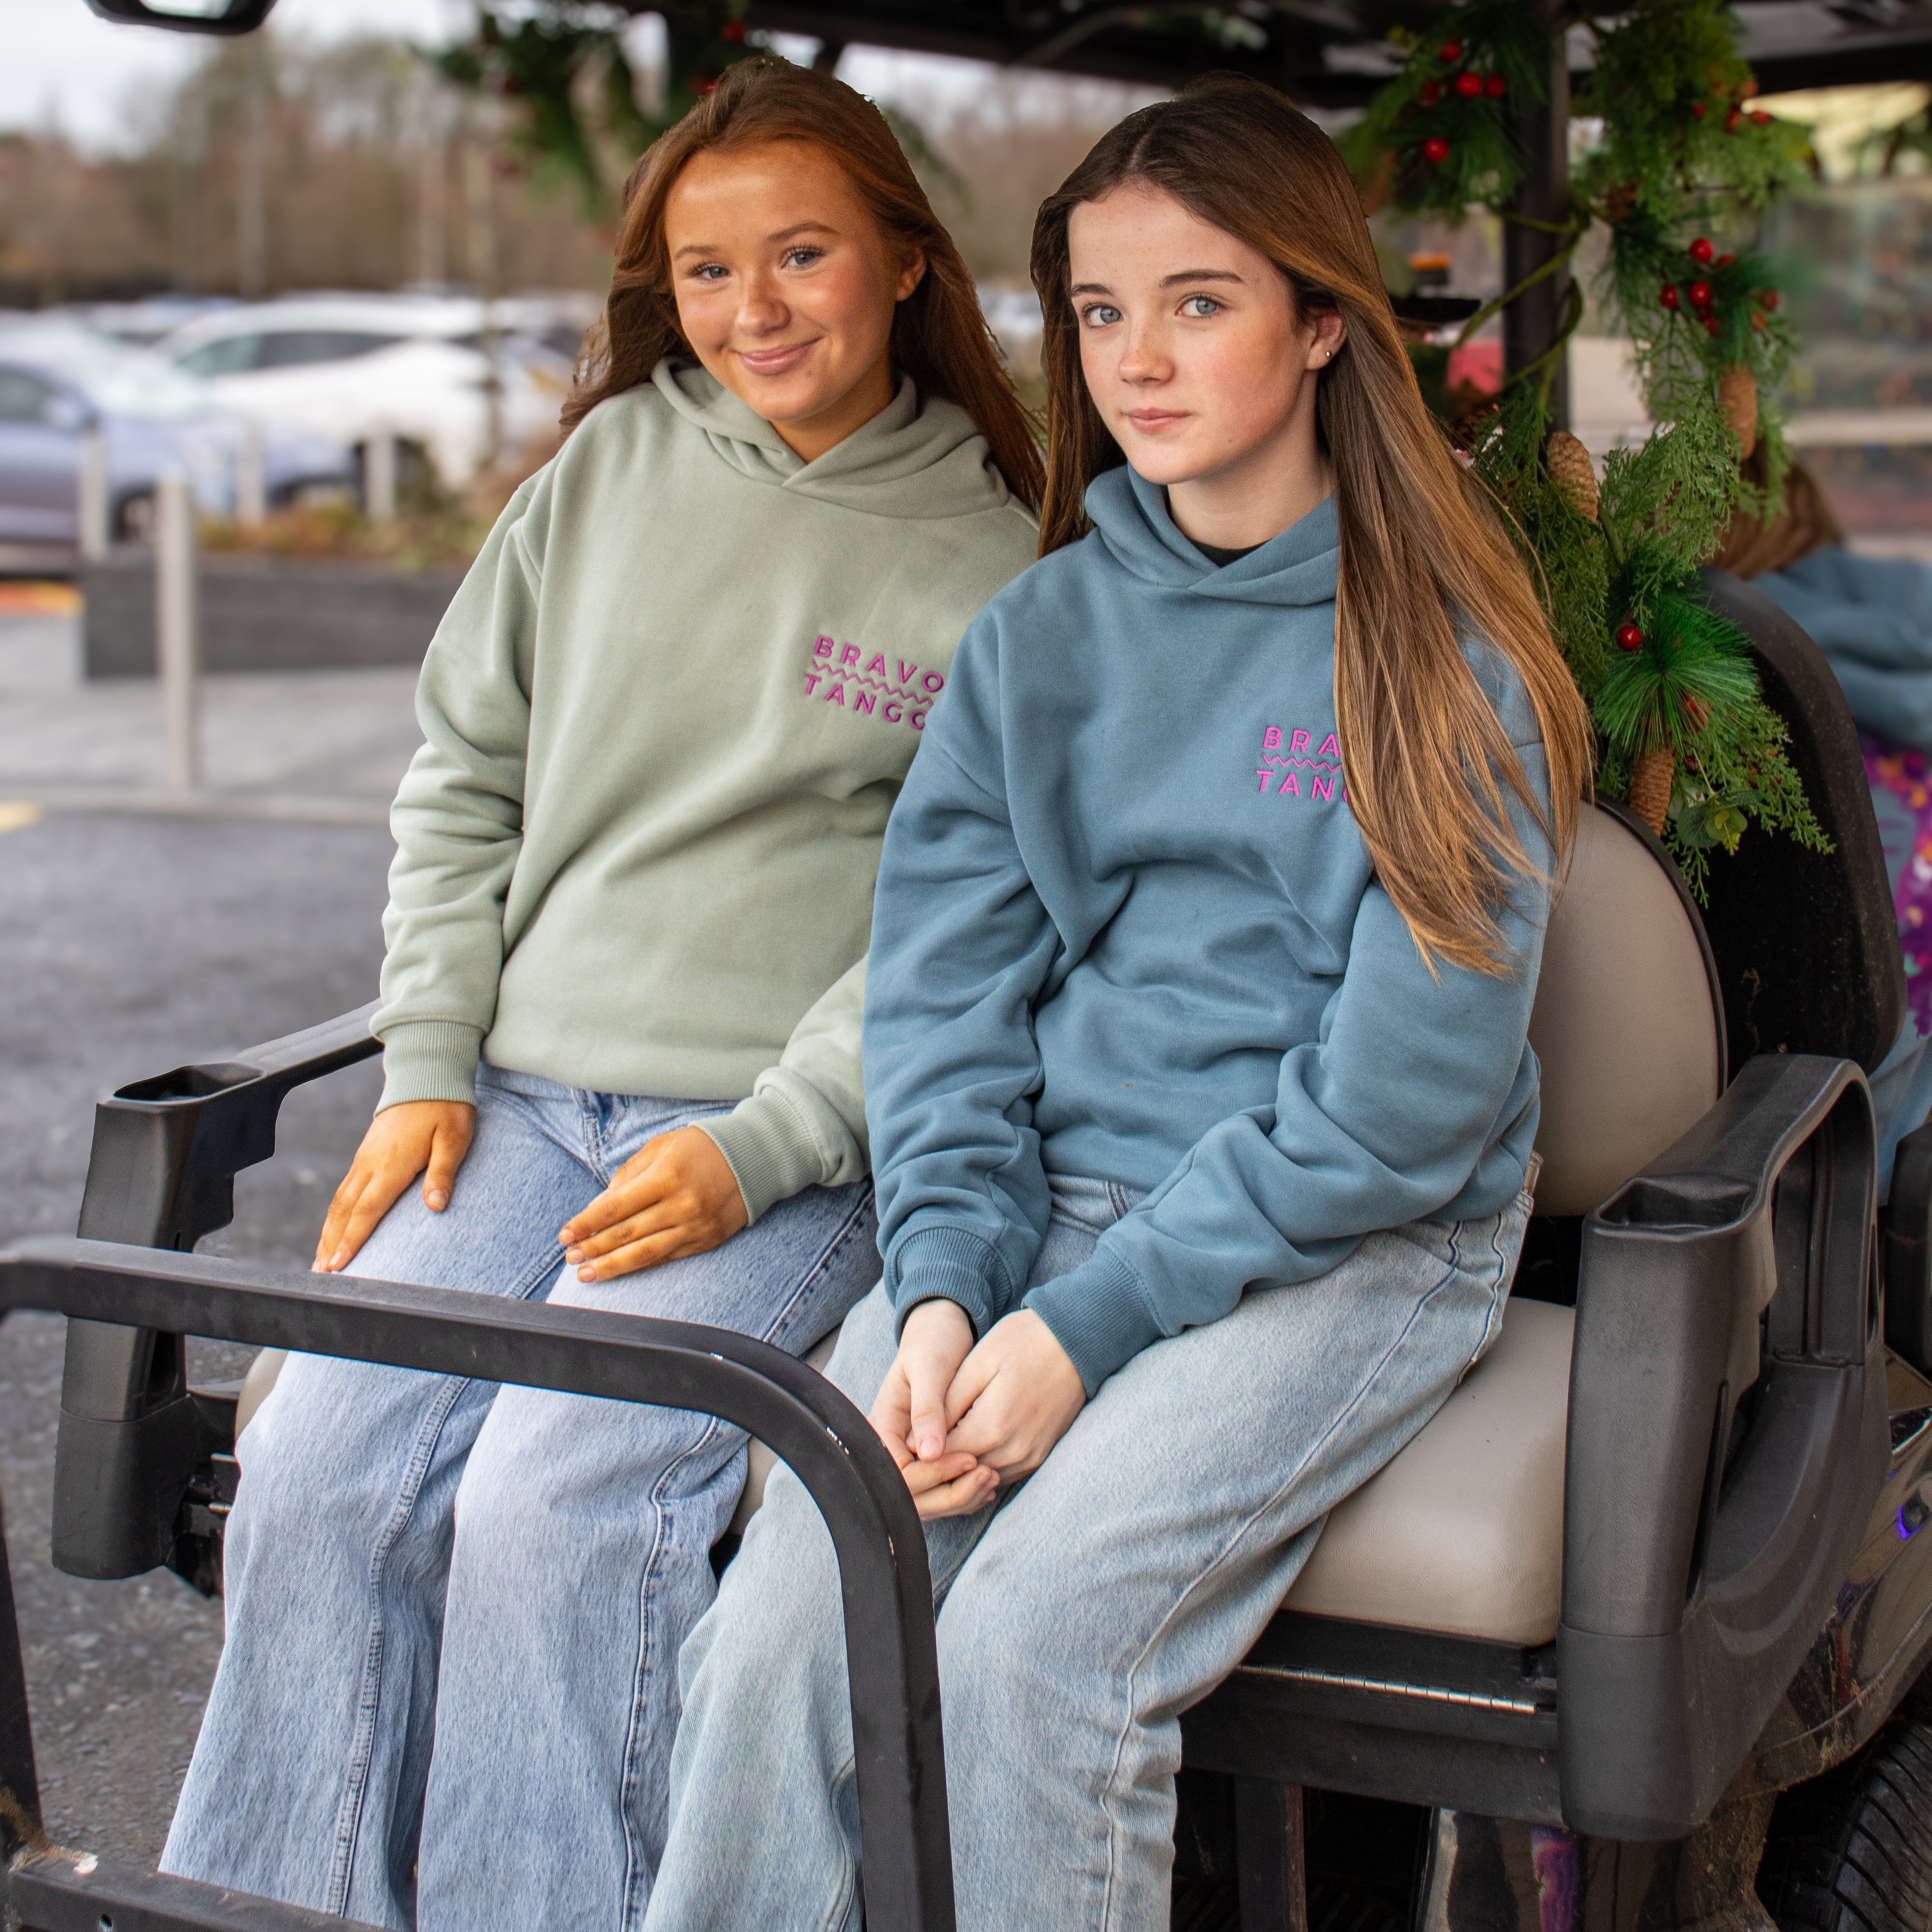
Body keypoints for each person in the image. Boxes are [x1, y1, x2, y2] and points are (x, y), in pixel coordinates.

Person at [642, 76, 1593, 1932]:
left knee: (1029, 1660)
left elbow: (1402, 1111)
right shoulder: (1042, 637)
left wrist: (1085, 1327)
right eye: (1098, 311)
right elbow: (944, 1006)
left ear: (1323, 321)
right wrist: (937, 1282)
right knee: (771, 1647)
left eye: (1200, 300)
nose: (1137, 359)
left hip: (1353, 1243)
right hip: (1053, 1219)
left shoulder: (1440, 669)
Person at [159, 57, 1041, 1932]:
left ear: (900, 257)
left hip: (777, 1146)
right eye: (706, 272)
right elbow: (459, 777)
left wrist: (764, 1144)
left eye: (800, 253)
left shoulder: (995, 563)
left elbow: (959, 930)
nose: (753, 309)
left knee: (555, 1506)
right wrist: (423, 1063)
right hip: (519, 1102)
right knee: (317, 1465)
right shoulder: (607, 472)